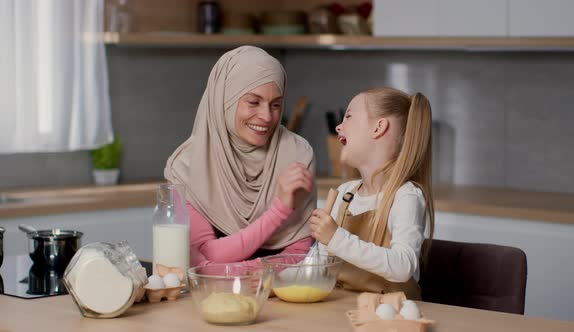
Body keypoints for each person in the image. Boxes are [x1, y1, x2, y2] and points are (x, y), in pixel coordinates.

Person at [164, 46, 316, 267]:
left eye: (276, 105)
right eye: (253, 102)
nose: (266, 117)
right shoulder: (186, 166)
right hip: (210, 297)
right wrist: (280, 208)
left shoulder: (297, 153)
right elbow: (204, 259)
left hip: (281, 294)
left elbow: (299, 249)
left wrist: (255, 274)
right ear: (225, 100)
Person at [309, 87, 435, 300]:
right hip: (340, 310)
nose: (339, 126)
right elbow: (316, 264)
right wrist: (276, 277)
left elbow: (402, 265)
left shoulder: (405, 196)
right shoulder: (344, 193)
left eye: (348, 116)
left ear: (378, 128)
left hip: (392, 316)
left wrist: (335, 237)